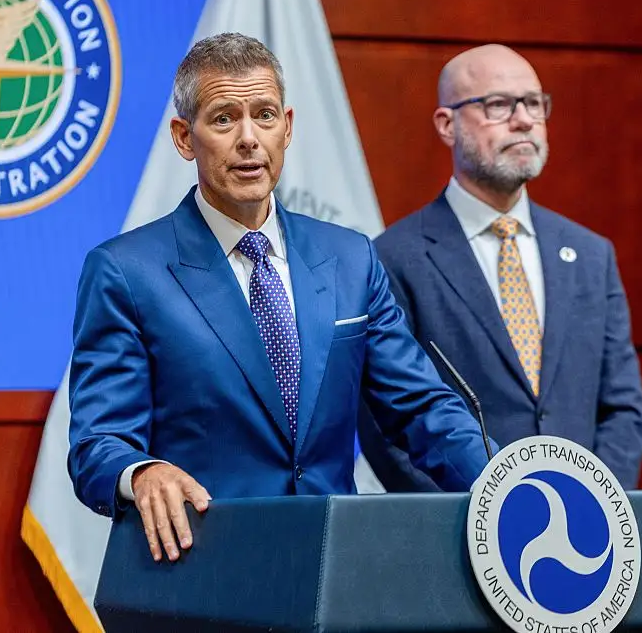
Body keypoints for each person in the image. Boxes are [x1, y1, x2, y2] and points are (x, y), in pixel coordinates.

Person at [67, 33, 494, 563]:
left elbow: (422, 408)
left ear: (286, 128)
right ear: (183, 137)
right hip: (205, 576)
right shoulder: (127, 272)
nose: (249, 138)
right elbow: (97, 444)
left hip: (333, 573)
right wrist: (143, 472)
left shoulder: (350, 258)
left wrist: (508, 485)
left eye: (265, 116)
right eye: (224, 119)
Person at [358, 44, 642, 492]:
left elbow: (622, 409)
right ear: (446, 125)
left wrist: (598, 505)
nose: (524, 119)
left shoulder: (591, 254)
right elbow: (385, 429)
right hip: (459, 537)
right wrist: (481, 523)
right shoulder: (394, 258)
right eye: (498, 105)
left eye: (533, 103)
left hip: (587, 534)